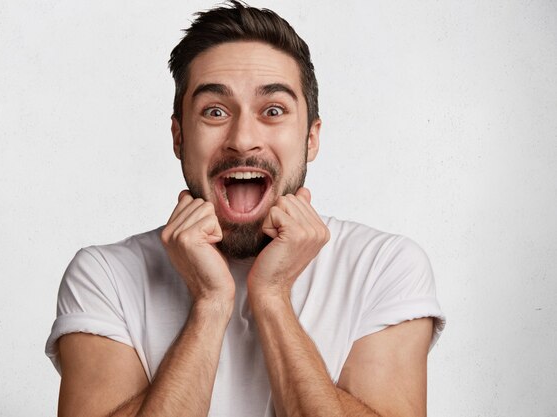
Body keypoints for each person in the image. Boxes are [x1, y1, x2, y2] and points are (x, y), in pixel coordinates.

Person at [45, 2, 445, 416]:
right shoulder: (104, 275)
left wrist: (271, 298)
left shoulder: (385, 267)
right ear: (179, 137)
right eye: (215, 111)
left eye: (273, 111)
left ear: (311, 139)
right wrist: (210, 303)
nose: (243, 138)